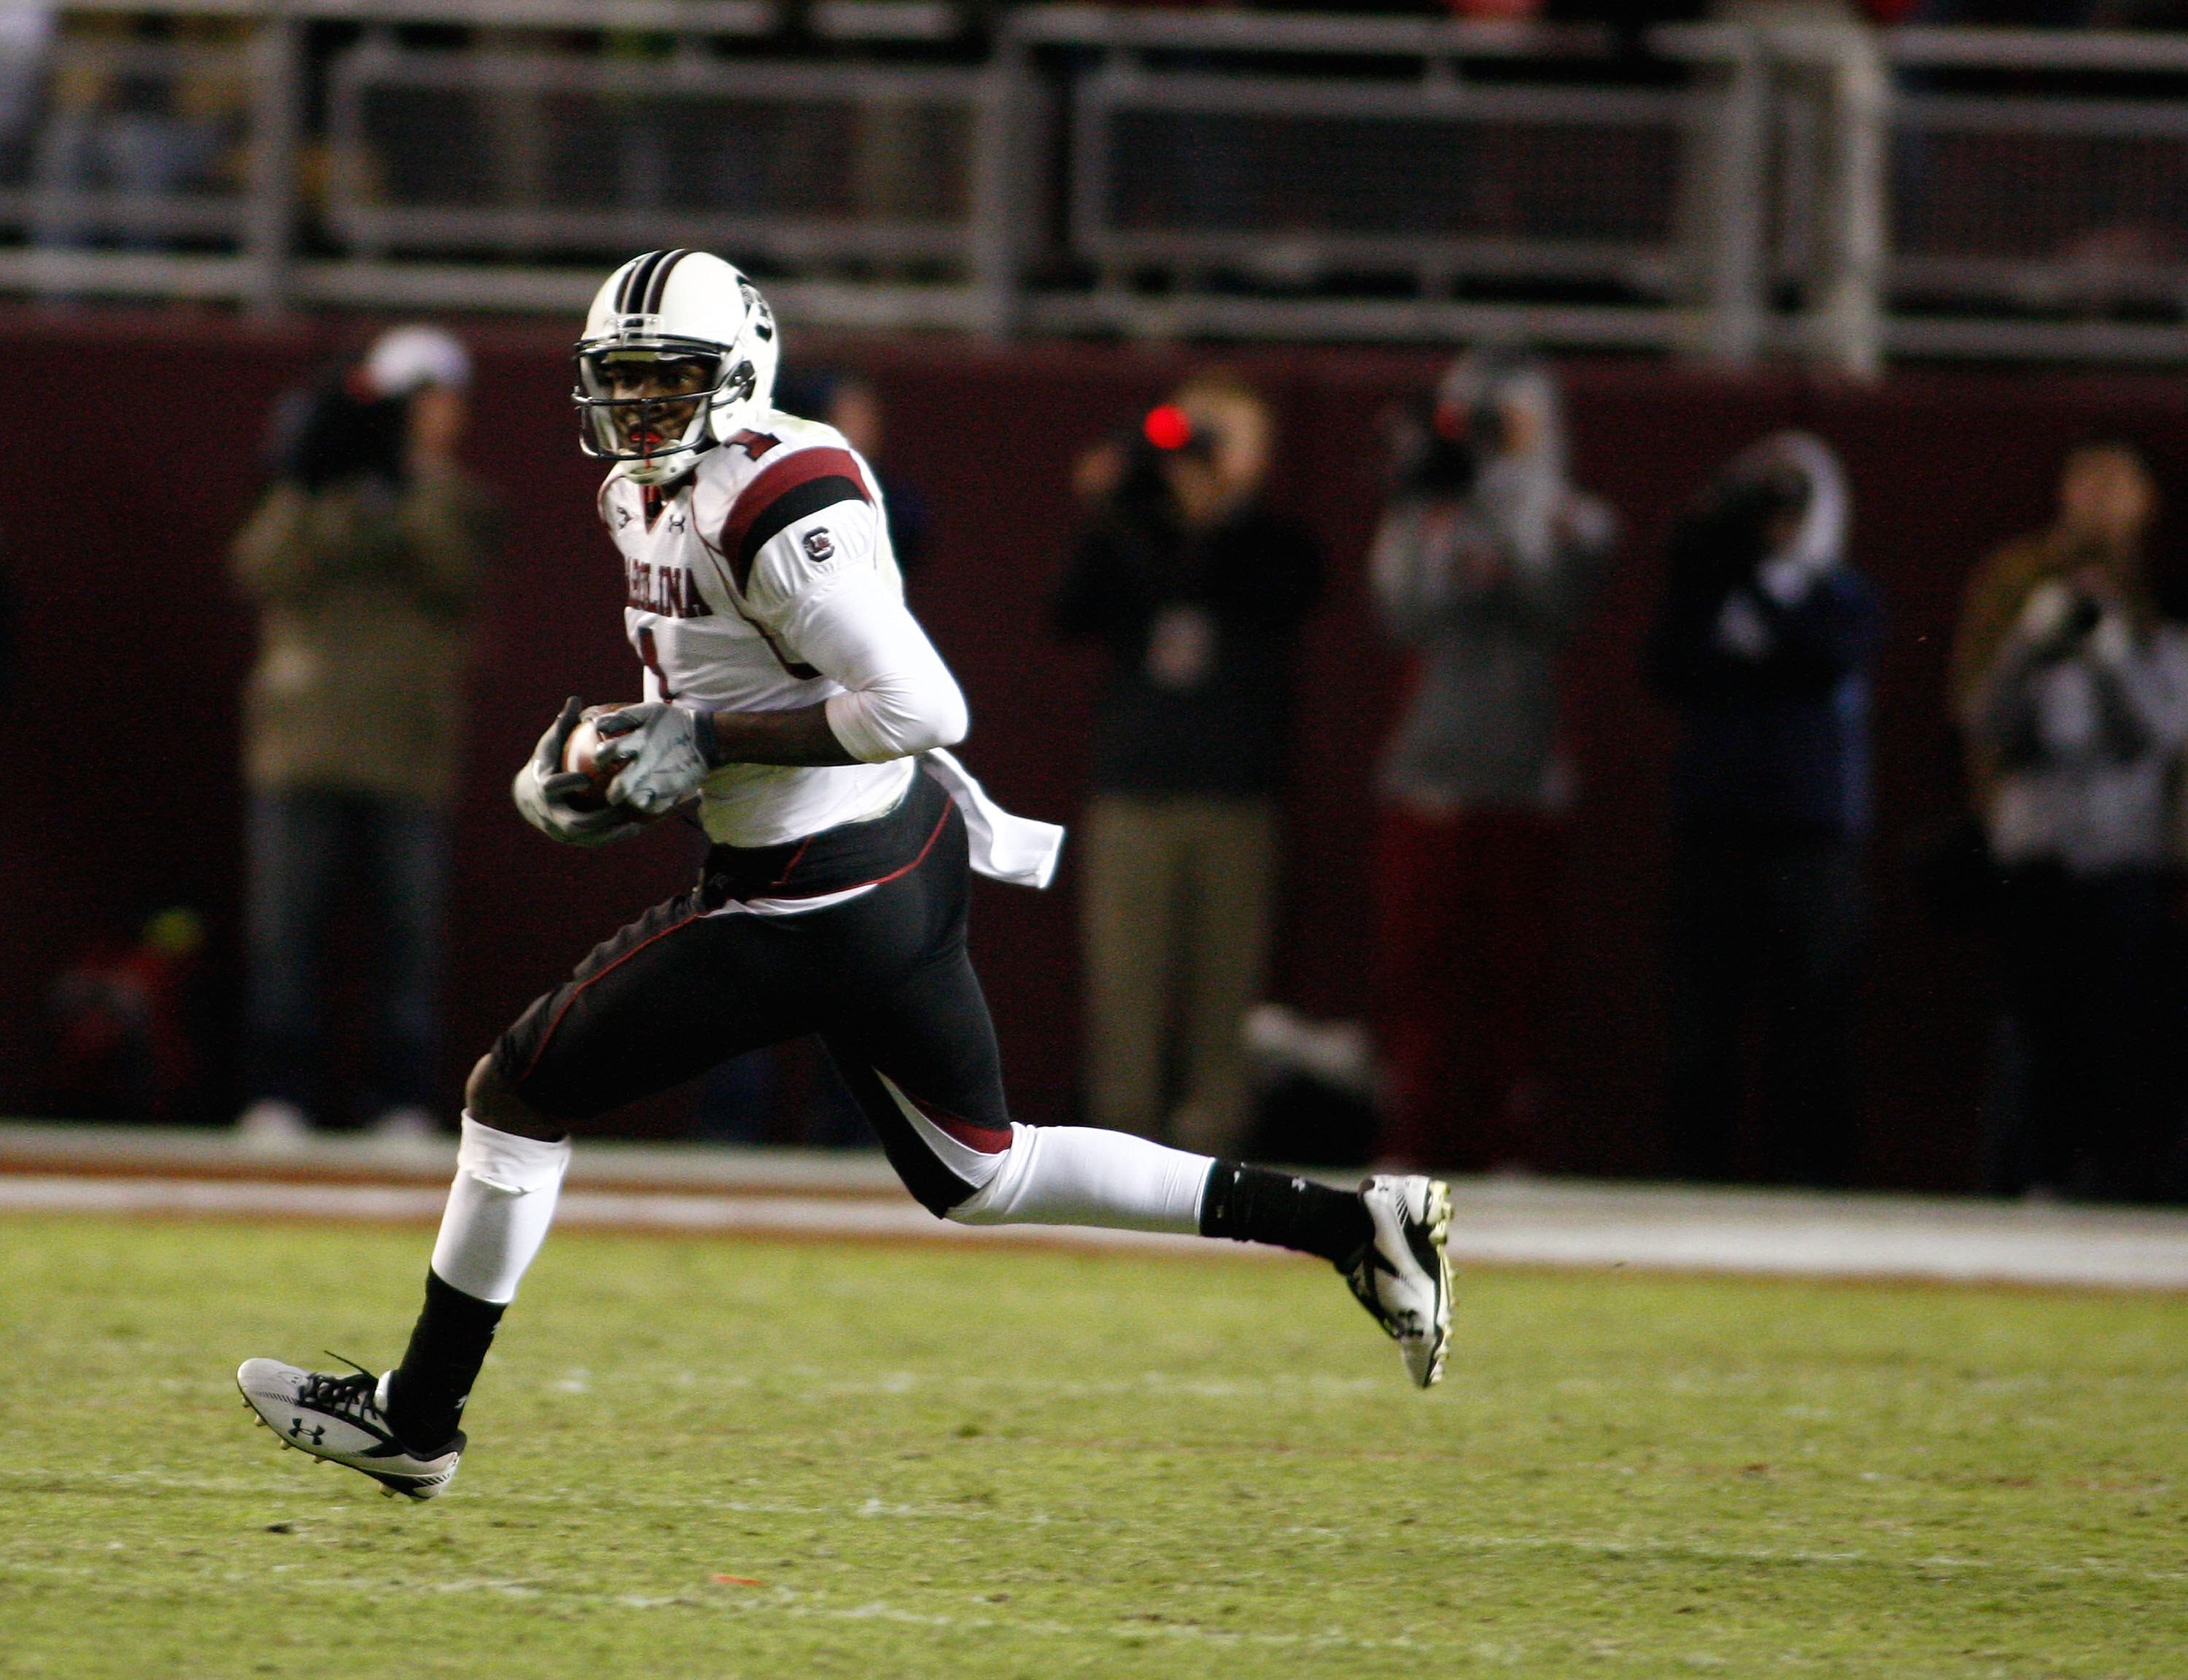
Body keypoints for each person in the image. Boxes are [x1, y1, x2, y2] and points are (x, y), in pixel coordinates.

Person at [237, 252, 1450, 1501]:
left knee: (514, 1090)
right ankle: (1355, 1224)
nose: (640, 409)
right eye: (623, 382)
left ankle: (417, 1419)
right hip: (884, 851)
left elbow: (924, 703)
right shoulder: (648, 488)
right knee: (986, 1170)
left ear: (742, 369)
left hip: (814, 886)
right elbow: (715, 683)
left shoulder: (779, 494)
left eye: (670, 381)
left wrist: (699, 744)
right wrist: (613, 753)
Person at [232, 324, 499, 1147]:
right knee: (285, 931)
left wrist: (406, 487)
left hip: (407, 750)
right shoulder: (311, 487)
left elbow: (456, 578)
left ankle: (400, 1095)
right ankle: (278, 1090)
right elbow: (260, 571)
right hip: (302, 742)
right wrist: (316, 477)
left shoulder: (457, 500)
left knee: (407, 938)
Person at [1052, 373, 1324, 1157]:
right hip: (1134, 788)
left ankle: (1214, 1141)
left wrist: (1216, 517)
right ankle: (1121, 1140)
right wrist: (1116, 510)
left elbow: (1284, 597)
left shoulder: (1275, 541)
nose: (1206, 453)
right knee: (1125, 981)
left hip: (1235, 792)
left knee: (1224, 985)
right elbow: (1069, 612)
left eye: (1227, 437)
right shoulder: (1133, 531)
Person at [1368, 349, 1616, 1171]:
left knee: (1518, 980)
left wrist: (1517, 485)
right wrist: (1426, 501)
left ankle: (1513, 1139)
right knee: (1419, 974)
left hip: (1524, 778)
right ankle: (1416, 1135)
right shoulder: (1429, 511)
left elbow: (1556, 604)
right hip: (1431, 773)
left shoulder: (1574, 516)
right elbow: (1404, 614)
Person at [1952, 440, 2188, 1199]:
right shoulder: (2017, 580)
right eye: (2087, 482)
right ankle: (2023, 1179)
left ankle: (2105, 1182)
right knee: (2031, 1026)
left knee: (2117, 1028)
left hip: (2125, 846)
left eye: (2117, 485)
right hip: (2038, 843)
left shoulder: (2158, 595)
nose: (2099, 501)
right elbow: (1982, 720)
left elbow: (2159, 733)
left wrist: (2114, 654)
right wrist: (2031, 642)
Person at [1645, 432, 1880, 1188]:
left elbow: (1822, 658)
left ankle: (1807, 1178)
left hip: (1811, 839)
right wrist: (1719, 564)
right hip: (1717, 829)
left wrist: (1759, 602)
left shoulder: (1840, 594)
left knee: (1810, 1017)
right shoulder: (1709, 587)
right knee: (1703, 1018)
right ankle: (1695, 1173)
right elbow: (1666, 665)